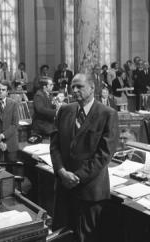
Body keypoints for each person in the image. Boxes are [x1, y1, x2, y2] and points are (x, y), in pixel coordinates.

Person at [50, 73, 119, 242]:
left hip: (89, 191)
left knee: (84, 238)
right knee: (61, 235)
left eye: (79, 86)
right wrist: (61, 171)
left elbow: (103, 155)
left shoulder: (107, 114)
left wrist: (77, 177)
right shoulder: (65, 110)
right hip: (64, 187)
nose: (74, 90)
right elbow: (54, 145)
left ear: (92, 88)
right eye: (73, 86)